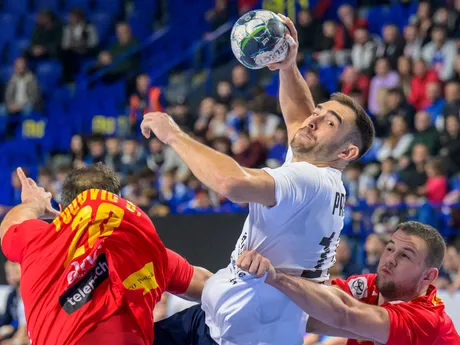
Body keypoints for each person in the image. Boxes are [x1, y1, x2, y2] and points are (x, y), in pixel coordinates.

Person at [142, 13, 375, 345]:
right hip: (211, 321)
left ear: (347, 152)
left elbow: (231, 183)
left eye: (329, 122)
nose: (313, 119)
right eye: (319, 110)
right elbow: (298, 116)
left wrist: (174, 136)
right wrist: (287, 66)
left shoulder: (309, 180)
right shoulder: (321, 172)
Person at [0, 164, 212, 345]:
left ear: (64, 209)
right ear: (119, 202)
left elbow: (9, 226)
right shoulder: (145, 250)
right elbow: (209, 286)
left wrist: (33, 204)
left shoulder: (37, 242)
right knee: (204, 318)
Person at [236, 221, 460, 344]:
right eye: (390, 248)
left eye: (405, 256)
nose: (390, 259)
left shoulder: (427, 321)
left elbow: (345, 315)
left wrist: (276, 277)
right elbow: (318, 302)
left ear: (428, 277)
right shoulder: (372, 286)